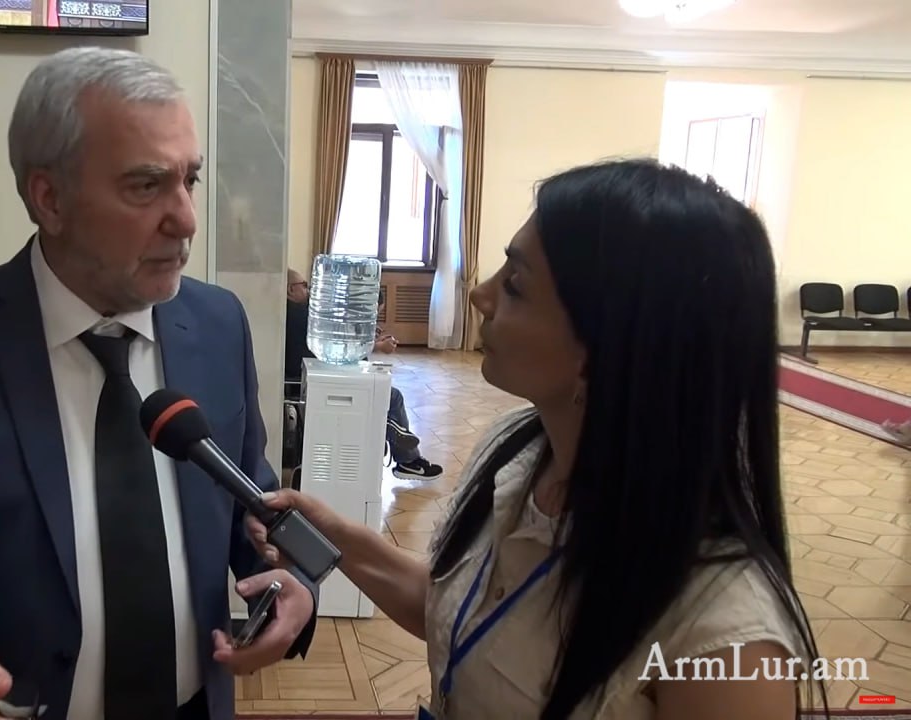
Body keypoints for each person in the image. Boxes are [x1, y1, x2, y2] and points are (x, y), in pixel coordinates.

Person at [0, 46, 318, 720]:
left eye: (189, 180)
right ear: (48, 198)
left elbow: (249, 503)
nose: (187, 219)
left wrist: (292, 582)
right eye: (146, 185)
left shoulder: (219, 325)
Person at [251, 159, 828, 719]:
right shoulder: (516, 454)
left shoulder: (727, 640)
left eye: (516, 285)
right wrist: (335, 536)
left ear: (607, 344)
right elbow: (463, 613)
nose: (480, 295)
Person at [283, 270, 443, 480]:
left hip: (312, 377)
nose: (309, 290)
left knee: (378, 384)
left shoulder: (289, 311)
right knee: (391, 395)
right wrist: (377, 346)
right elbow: (343, 345)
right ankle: (406, 457)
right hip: (314, 382)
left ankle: (390, 430)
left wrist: (370, 341)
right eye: (304, 285)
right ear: (290, 289)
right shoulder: (301, 313)